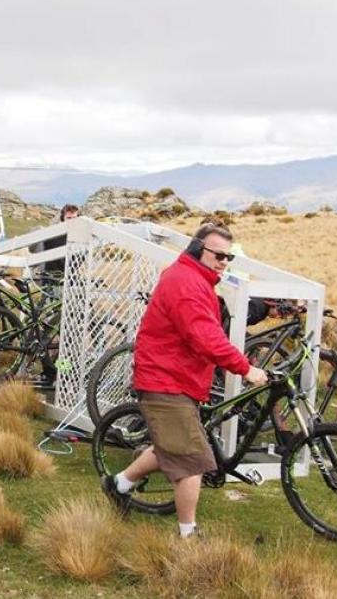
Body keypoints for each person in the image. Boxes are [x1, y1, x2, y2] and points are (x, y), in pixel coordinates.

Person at [101, 223, 268, 538]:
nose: (223, 262)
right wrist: (244, 368)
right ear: (197, 249)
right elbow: (204, 336)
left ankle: (118, 485)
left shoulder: (195, 279)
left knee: (170, 447)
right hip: (165, 381)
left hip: (174, 377)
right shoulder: (186, 283)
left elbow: (208, 332)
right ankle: (188, 536)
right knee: (192, 462)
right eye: (218, 254)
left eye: (228, 257)